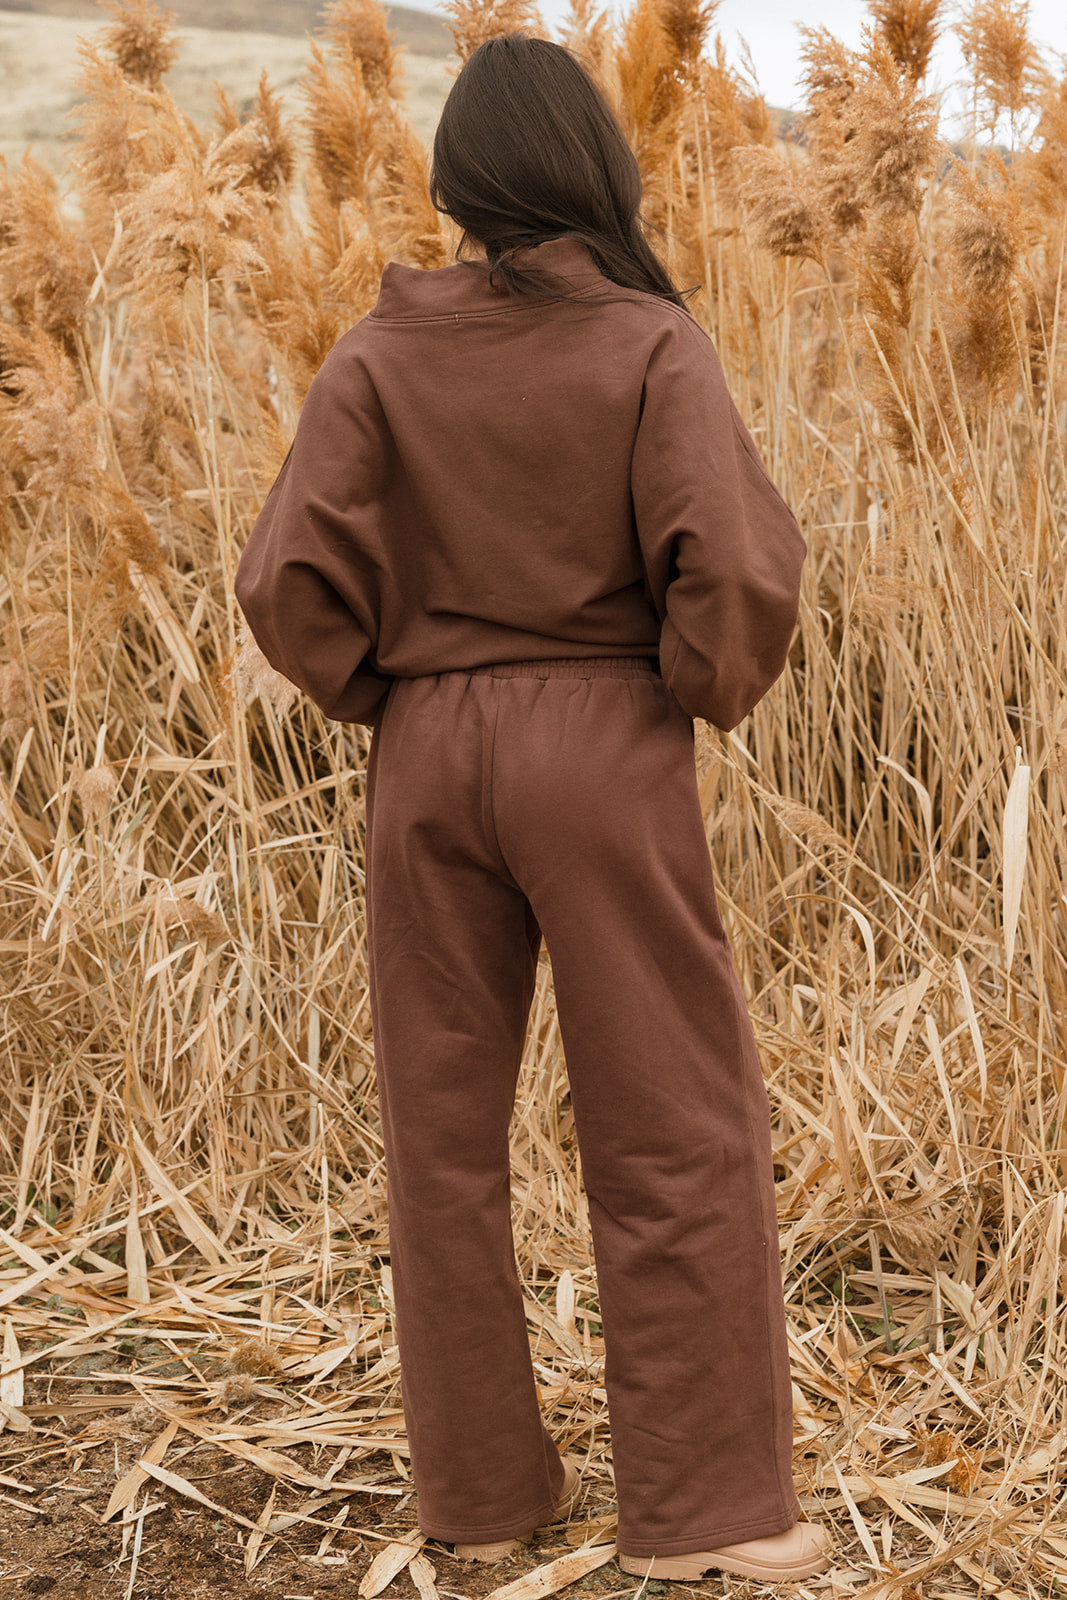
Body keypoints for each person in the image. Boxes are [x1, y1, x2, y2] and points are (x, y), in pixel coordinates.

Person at [233, 29, 834, 1586]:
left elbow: (284, 579)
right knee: (671, 1118)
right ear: (596, 171)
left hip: (427, 750)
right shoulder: (648, 343)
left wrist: (391, 695)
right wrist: (688, 684)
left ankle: (483, 1494)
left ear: (460, 185)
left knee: (440, 1138)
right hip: (603, 744)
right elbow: (735, 565)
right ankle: (708, 1511)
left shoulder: (378, 355)